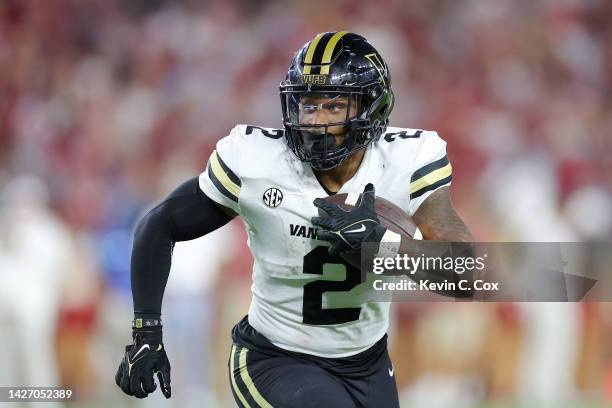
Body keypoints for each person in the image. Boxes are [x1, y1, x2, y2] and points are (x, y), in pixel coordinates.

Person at [115, 31, 472, 407]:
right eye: (307, 105)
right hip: (275, 358)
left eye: (334, 107)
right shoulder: (257, 160)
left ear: (372, 108)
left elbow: (467, 274)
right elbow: (159, 224)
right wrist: (146, 332)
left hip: (367, 362)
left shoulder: (407, 160)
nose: (316, 121)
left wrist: (383, 247)